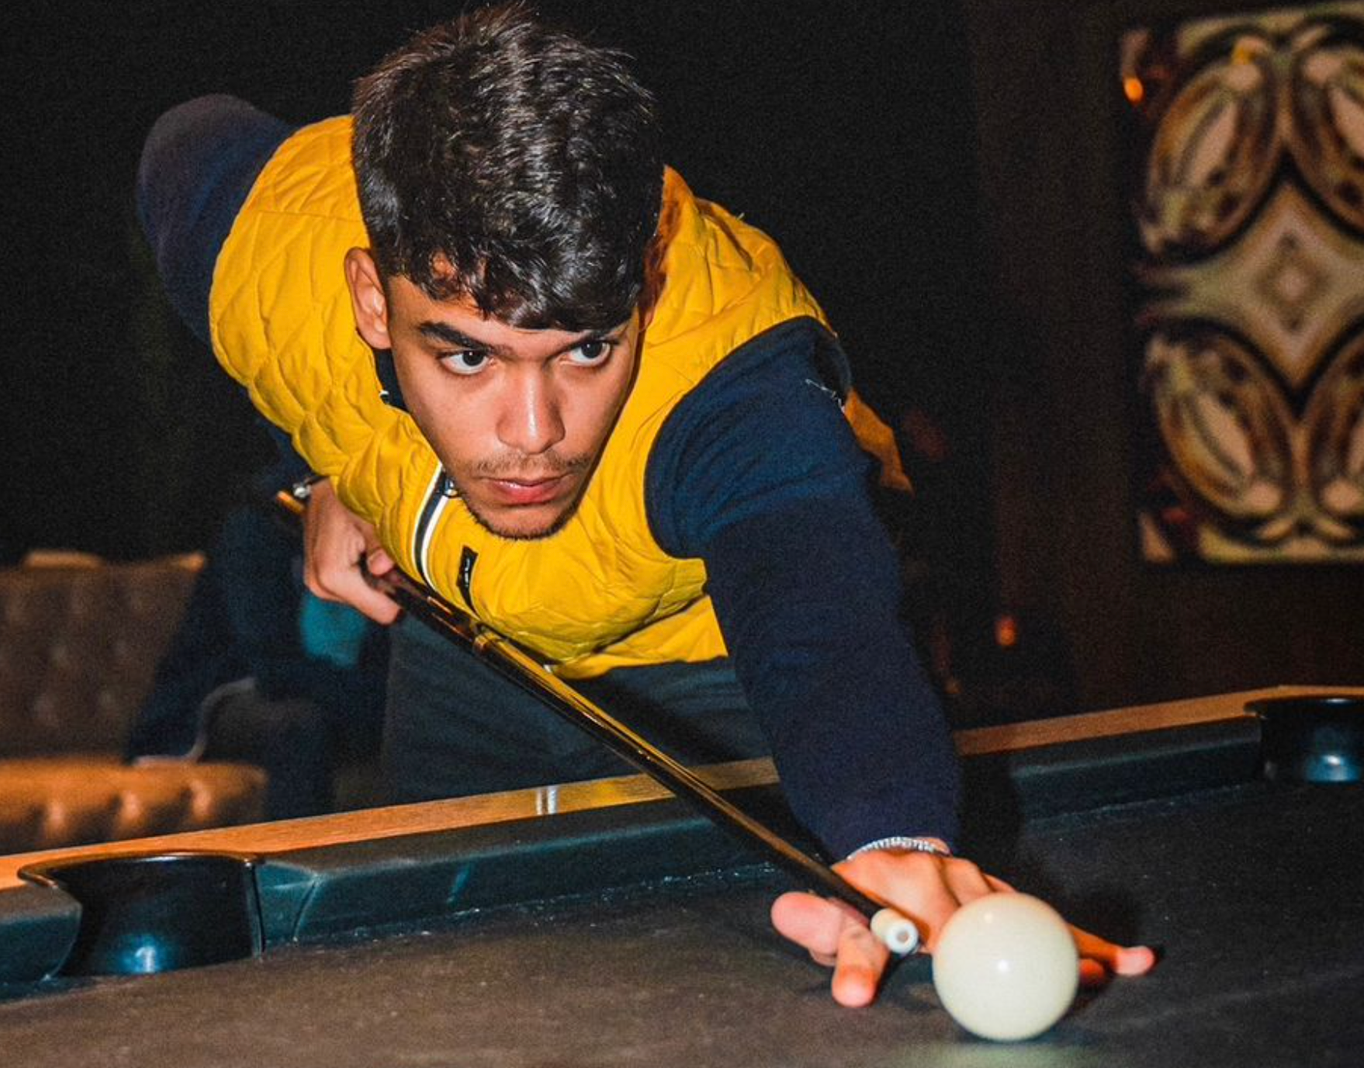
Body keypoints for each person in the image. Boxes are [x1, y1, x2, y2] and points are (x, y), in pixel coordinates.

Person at [136, 3, 1153, 1006]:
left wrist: (890, 834)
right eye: (469, 357)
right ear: (370, 300)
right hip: (465, 652)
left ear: (645, 280)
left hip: (708, 667)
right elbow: (184, 140)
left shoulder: (734, 385)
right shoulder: (268, 252)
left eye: (588, 347)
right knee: (440, 993)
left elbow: (812, 602)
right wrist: (324, 468)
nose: (534, 431)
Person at [125, 459, 387, 818]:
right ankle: (297, 852)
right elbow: (271, 664)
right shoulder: (259, 523)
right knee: (300, 724)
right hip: (228, 692)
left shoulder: (386, 524)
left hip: (339, 690)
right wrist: (374, 700)